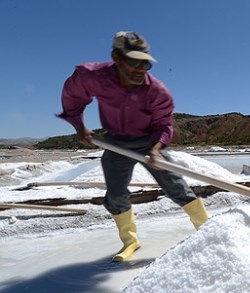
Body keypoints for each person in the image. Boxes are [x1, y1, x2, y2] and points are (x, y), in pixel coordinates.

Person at [57, 31, 208, 262]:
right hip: (116, 141)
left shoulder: (156, 90)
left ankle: (207, 230)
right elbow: (73, 96)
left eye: (145, 63)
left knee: (175, 185)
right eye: (133, 62)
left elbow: (164, 123)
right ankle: (130, 242)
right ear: (116, 57)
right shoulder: (93, 76)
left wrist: (156, 149)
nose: (140, 69)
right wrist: (79, 126)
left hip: (149, 140)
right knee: (116, 195)